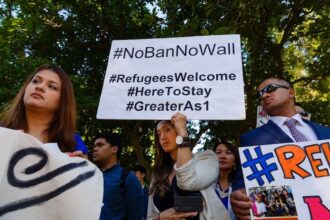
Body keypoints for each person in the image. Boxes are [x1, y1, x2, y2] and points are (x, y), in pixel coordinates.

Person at [230, 77, 330, 219]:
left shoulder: (326, 132)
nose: (264, 95)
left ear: (291, 92)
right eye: (260, 94)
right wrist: (239, 196)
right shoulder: (251, 138)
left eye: (270, 89)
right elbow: (243, 180)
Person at [147, 112, 231, 220]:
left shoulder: (207, 158)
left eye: (167, 129)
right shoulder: (158, 173)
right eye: (159, 133)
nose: (162, 137)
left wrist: (183, 134)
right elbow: (149, 216)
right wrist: (160, 217)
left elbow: (187, 183)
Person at [0, 64, 86, 156]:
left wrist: (80, 164)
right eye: (36, 81)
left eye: (52, 86)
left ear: (62, 101)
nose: (39, 87)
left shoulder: (73, 141)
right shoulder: (2, 131)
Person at [92, 133, 144, 220]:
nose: (95, 149)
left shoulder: (127, 177)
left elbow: (135, 216)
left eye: (100, 145)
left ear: (114, 149)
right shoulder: (90, 176)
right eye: (94, 146)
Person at [214, 140, 239, 220]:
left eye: (228, 153)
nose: (223, 156)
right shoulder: (203, 185)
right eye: (218, 152)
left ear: (235, 162)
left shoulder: (241, 187)